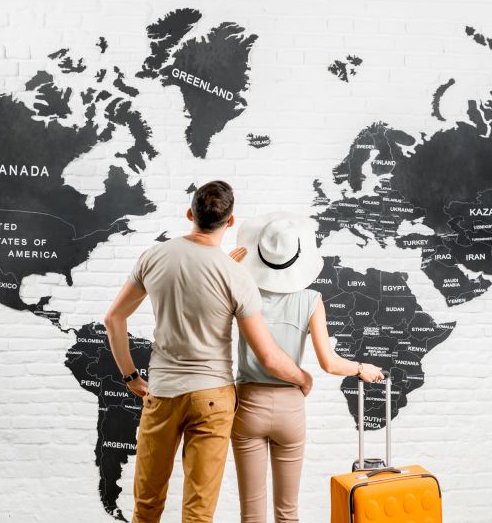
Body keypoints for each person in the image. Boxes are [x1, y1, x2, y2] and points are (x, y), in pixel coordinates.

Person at [103, 181, 313, 523]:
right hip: (213, 398)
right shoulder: (236, 275)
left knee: (146, 506)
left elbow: (114, 318)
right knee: (198, 514)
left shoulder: (154, 256)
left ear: (190, 214)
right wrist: (302, 377)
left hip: (162, 393)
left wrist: (130, 376)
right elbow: (269, 357)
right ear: (230, 222)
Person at [230, 212, 384, 523]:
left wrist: (227, 269)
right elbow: (329, 363)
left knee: (251, 514)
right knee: (288, 514)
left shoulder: (242, 293)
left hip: (247, 406)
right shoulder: (312, 300)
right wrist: (360, 368)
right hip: (290, 408)